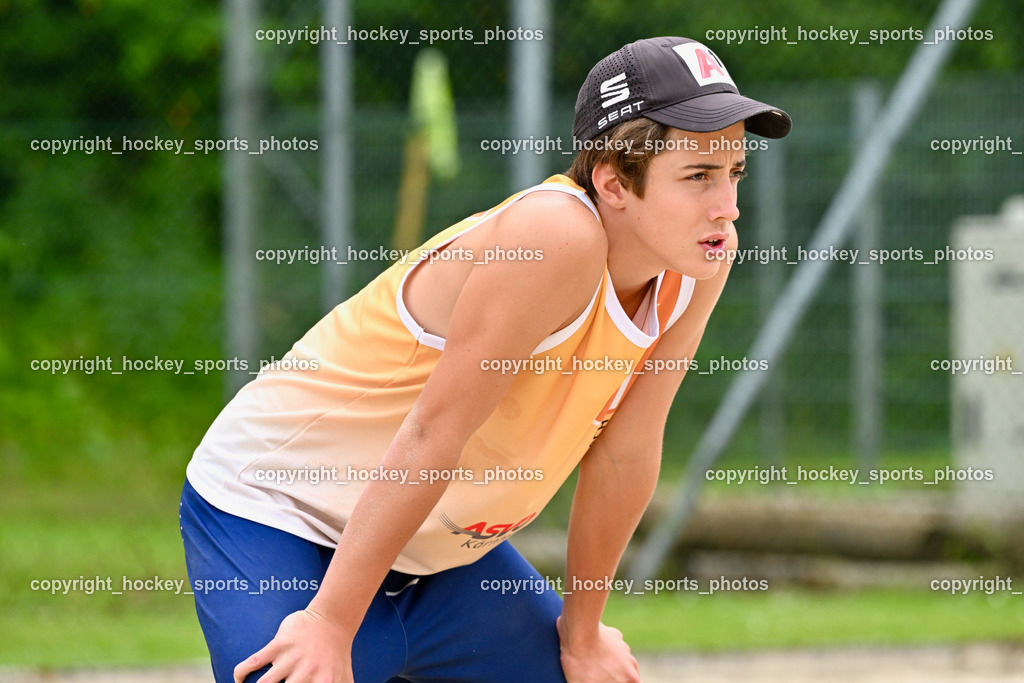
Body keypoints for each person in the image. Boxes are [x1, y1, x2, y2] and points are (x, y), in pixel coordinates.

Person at [180, 36, 791, 683]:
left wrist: (581, 634)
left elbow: (626, 449)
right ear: (613, 179)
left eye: (734, 173)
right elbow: (433, 429)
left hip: (437, 554)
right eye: (698, 175)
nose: (726, 206)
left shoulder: (698, 261)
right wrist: (330, 622)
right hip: (282, 513)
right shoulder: (555, 236)